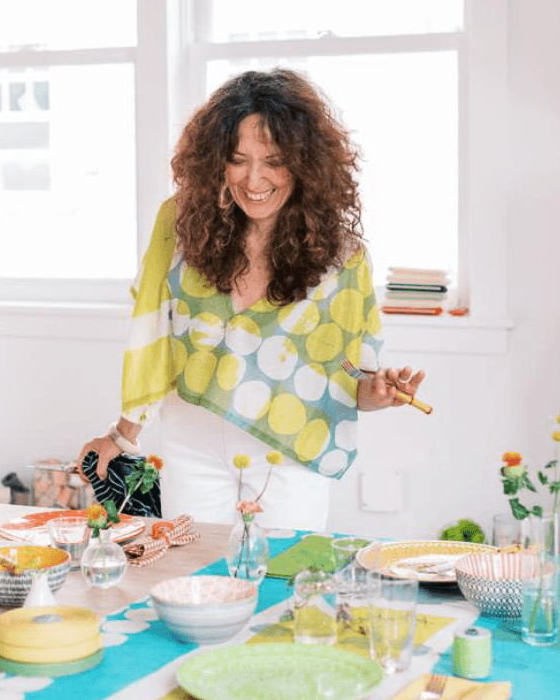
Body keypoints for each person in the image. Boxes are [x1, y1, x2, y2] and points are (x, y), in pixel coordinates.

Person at [77, 68, 425, 531]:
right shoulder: (179, 224)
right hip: (193, 438)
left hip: (291, 447)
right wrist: (122, 435)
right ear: (214, 160)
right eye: (237, 159)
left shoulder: (341, 256)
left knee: (286, 575)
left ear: (305, 164)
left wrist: (378, 393)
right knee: (196, 578)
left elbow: (348, 373)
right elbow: (152, 332)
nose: (254, 179)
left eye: (274, 160)